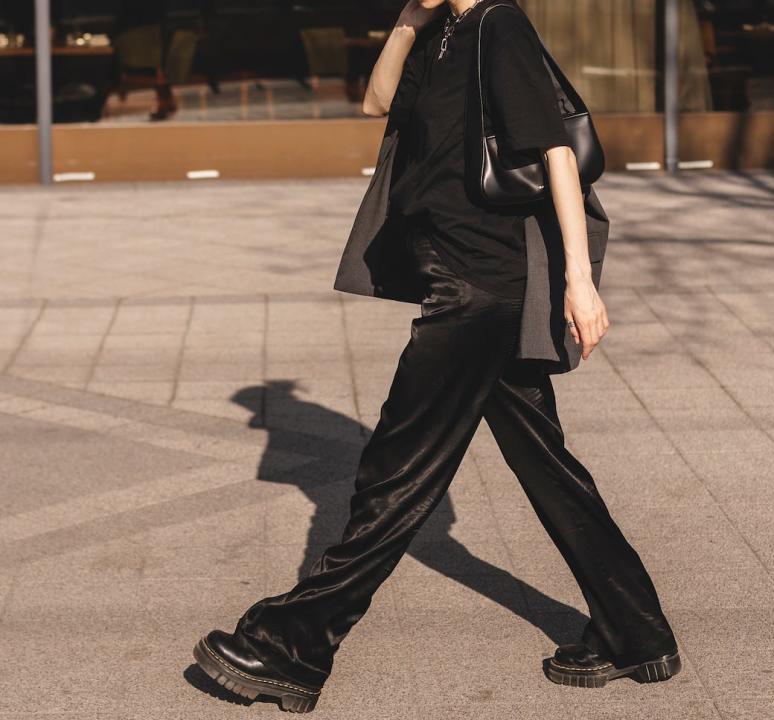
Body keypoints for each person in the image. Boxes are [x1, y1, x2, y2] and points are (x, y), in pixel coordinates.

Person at [192, 0, 679, 712]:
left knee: (396, 471)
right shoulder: (445, 33)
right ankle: (637, 634)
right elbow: (376, 100)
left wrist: (579, 279)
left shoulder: (498, 24)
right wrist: (411, 21)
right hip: (460, 277)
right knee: (550, 470)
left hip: (478, 287)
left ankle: (293, 647)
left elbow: (555, 151)